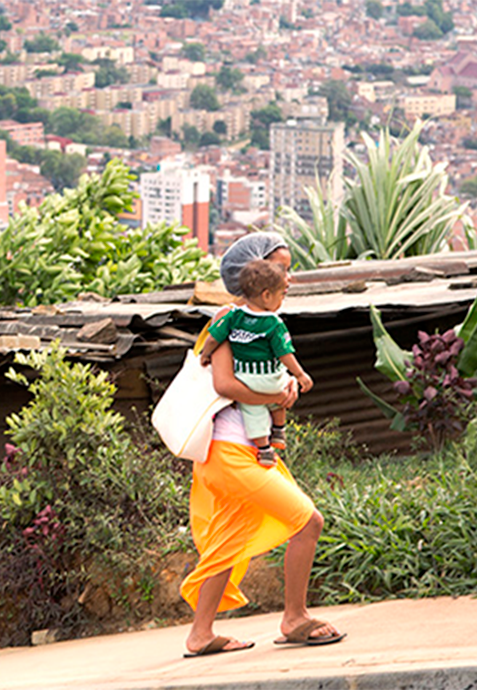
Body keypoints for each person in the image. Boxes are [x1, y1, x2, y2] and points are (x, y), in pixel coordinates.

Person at [179, 233, 345, 658]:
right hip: (229, 453)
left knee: (229, 541)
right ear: (256, 275)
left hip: (244, 451)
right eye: (282, 269)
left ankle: (200, 634)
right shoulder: (229, 319)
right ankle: (294, 618)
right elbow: (225, 384)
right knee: (308, 522)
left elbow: (260, 377)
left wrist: (284, 387)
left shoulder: (263, 322)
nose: (289, 279)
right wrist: (275, 396)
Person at [198, 259, 313, 467]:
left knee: (253, 411)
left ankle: (264, 449)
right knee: (279, 390)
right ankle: (279, 430)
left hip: (246, 379)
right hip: (271, 380)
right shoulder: (273, 322)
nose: (282, 301)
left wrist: (205, 355)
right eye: (281, 295)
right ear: (267, 295)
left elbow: (213, 338)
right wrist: (299, 374)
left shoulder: (232, 316)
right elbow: (284, 352)